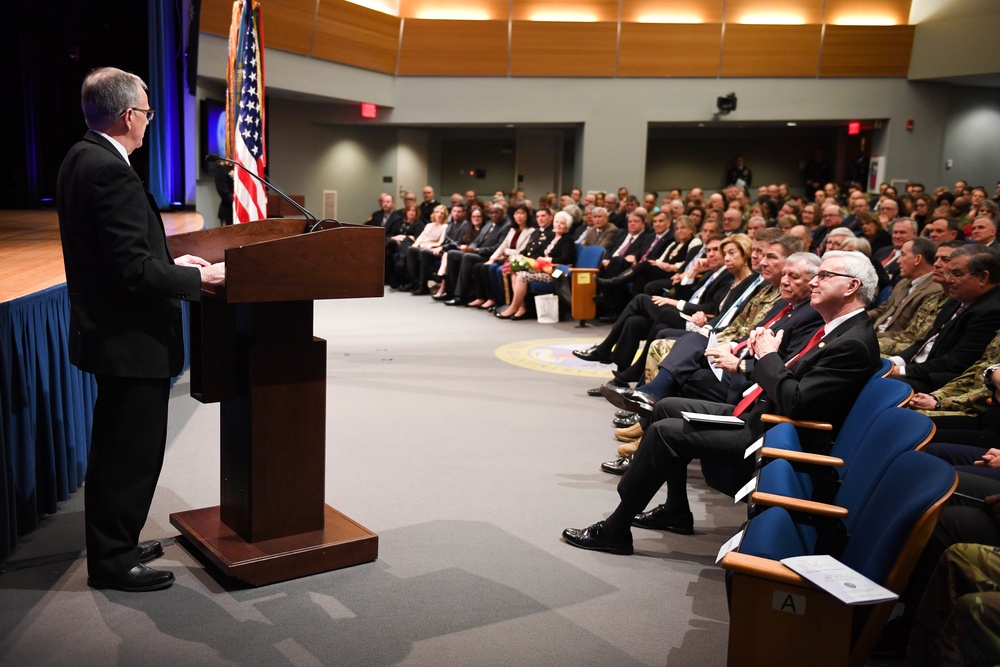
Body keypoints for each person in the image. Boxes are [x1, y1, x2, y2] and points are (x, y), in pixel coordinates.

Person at [562, 251, 880, 552]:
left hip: (775, 433)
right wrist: (763, 357)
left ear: (852, 286)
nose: (814, 281)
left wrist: (767, 356)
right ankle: (676, 510)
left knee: (663, 433)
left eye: (824, 275)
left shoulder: (852, 343)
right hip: (762, 413)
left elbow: (796, 402)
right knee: (665, 407)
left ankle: (616, 528)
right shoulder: (837, 331)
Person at [56, 67, 226, 591]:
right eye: (148, 113)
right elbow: (132, 270)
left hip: (112, 335)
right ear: (130, 115)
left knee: (117, 448)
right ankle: (111, 562)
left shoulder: (80, 157)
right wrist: (205, 282)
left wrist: (182, 267)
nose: (150, 123)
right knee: (128, 454)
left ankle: (118, 542)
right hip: (130, 340)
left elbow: (125, 254)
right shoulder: (109, 169)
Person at [497, 211, 576, 320]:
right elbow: (539, 253)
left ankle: (513, 307)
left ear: (567, 226)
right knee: (515, 272)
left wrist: (548, 259)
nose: (558, 225)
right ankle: (521, 307)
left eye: (562, 223)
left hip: (555, 273)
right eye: (556, 222)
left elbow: (566, 258)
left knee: (522, 276)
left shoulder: (567, 240)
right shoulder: (551, 237)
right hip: (543, 269)